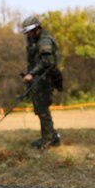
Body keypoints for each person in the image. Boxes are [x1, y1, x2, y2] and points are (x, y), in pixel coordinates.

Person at [22, 15, 63, 149]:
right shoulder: (36, 40)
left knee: (42, 109)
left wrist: (32, 74)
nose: (28, 35)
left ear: (37, 29)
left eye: (30, 32)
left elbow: (48, 62)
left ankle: (47, 140)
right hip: (40, 79)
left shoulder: (44, 41)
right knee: (41, 109)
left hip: (45, 79)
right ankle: (53, 136)